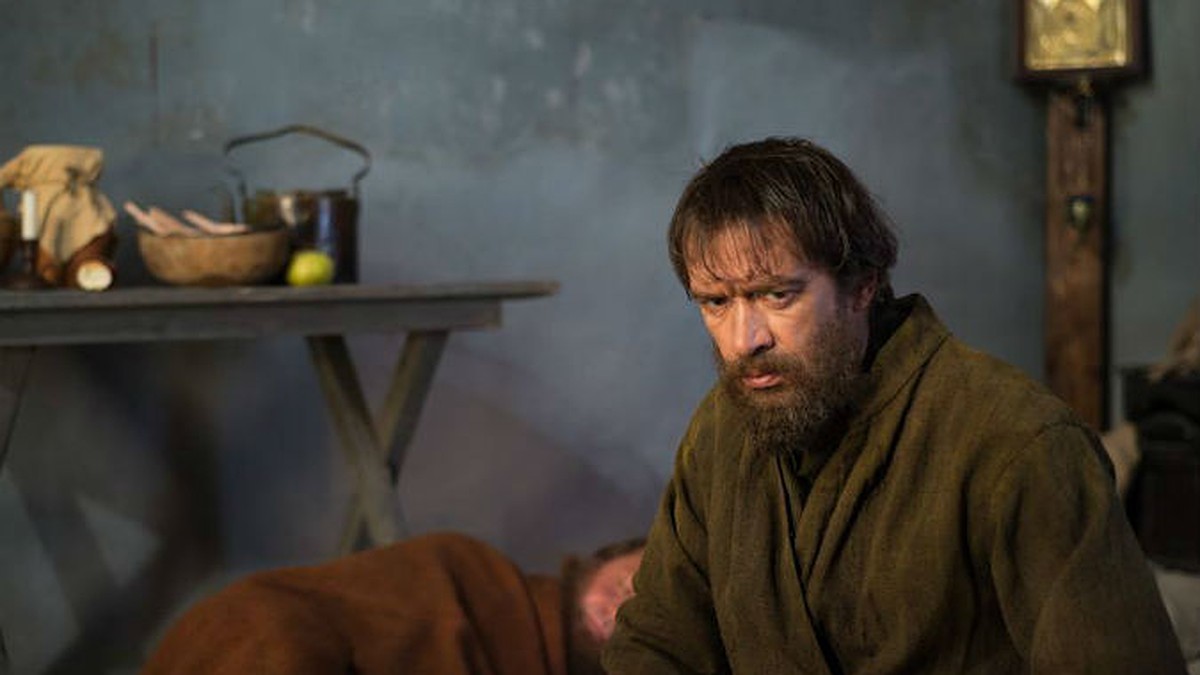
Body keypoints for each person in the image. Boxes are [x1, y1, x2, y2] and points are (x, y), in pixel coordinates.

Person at [602, 137, 1187, 673]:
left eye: (776, 294)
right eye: (715, 303)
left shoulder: (1018, 443)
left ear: (861, 286)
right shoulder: (721, 430)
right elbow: (657, 644)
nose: (743, 340)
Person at [143, 532, 643, 675]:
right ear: (610, 556)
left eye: (660, 620)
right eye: (637, 580)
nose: (630, 607)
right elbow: (263, 619)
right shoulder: (464, 572)